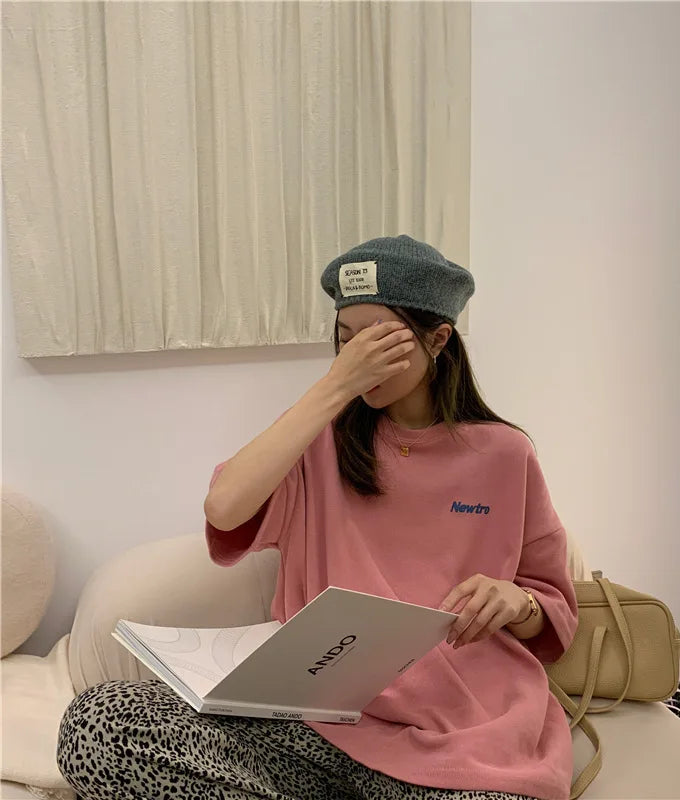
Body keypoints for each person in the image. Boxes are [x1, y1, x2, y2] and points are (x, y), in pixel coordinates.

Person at [56, 234, 579, 800]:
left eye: (379, 339)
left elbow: (550, 606)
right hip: (313, 726)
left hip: (463, 735)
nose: (359, 356)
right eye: (346, 339)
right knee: (98, 724)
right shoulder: (317, 440)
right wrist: (336, 387)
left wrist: (515, 600)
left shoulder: (504, 454)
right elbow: (225, 507)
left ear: (438, 338)